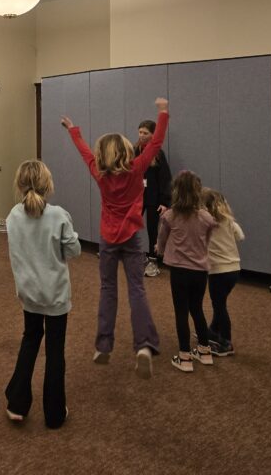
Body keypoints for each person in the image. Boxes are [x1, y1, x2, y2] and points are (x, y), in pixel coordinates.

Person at [61, 97, 169, 378]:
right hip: (132, 237)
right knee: (137, 289)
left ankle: (103, 345)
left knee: (108, 290)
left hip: (108, 239)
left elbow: (84, 151)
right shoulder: (137, 169)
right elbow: (155, 144)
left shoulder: (100, 172)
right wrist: (162, 113)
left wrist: (74, 130)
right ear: (125, 151)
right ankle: (144, 346)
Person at [4, 160, 81, 429]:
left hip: (29, 294)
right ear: (48, 185)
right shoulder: (59, 215)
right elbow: (74, 251)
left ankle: (17, 403)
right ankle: (55, 413)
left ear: (20, 184)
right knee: (55, 351)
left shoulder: (13, 216)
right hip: (56, 295)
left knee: (30, 340)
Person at [156, 170, 218, 373]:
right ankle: (205, 350)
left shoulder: (170, 216)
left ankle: (184, 356)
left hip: (179, 272)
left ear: (176, 191)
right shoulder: (206, 217)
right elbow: (207, 240)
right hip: (200, 271)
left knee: (181, 312)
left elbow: (162, 240)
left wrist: (161, 250)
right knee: (197, 309)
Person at [202, 188, 244, 356]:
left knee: (219, 306)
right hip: (234, 269)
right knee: (220, 303)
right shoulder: (229, 221)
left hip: (217, 271)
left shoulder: (206, 224)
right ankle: (212, 331)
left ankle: (226, 342)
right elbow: (240, 237)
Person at [135, 118, 172, 278]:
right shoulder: (134, 150)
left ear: (153, 135)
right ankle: (133, 255)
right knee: (130, 227)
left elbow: (165, 179)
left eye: (146, 133)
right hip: (136, 197)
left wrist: (165, 202)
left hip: (153, 199)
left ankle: (153, 261)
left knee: (152, 230)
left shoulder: (158, 154)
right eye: (140, 132)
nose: (142, 135)